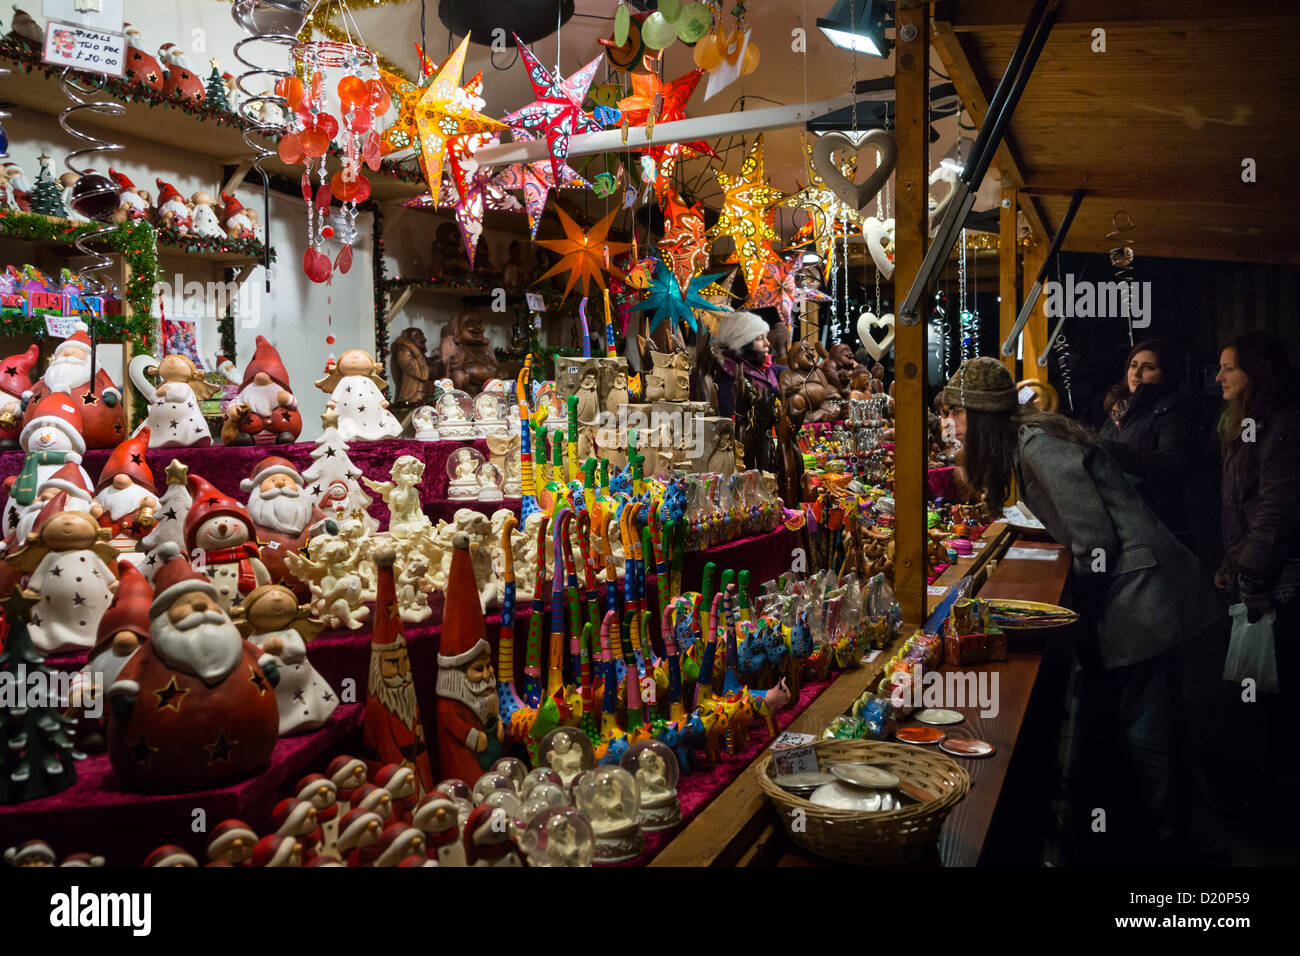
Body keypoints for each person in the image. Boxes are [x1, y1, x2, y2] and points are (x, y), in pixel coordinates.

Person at [941, 356, 1226, 863]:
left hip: (1143, 599)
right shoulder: (1026, 440)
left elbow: (1094, 541)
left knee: (1147, 736)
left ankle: (1176, 852)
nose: (951, 424)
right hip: (1140, 596)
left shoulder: (1036, 445)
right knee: (1155, 732)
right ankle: (1188, 841)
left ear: (980, 416)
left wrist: (1077, 621)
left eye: (956, 413)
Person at [1214, 332, 1300, 767]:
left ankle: (1270, 805)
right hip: (1254, 573)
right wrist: (1231, 563)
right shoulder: (1245, 421)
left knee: (1275, 695)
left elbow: (1277, 508)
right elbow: (1239, 504)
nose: (1219, 376)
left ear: (1257, 373)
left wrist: (1250, 573)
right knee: (1256, 694)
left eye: (1229, 367)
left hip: (1280, 581)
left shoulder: (1283, 424)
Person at [1098, 339, 1198, 547]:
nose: (1136, 373)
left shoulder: (1174, 410)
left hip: (1155, 522)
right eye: (1133, 365)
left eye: (1149, 367)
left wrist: (1109, 449)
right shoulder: (1120, 407)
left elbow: (1172, 465)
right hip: (1119, 518)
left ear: (1167, 373)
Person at [712, 311, 784, 418]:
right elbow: (733, 417)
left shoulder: (763, 365)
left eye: (766, 337)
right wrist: (773, 393)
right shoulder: (727, 375)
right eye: (760, 338)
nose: (767, 343)